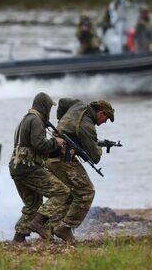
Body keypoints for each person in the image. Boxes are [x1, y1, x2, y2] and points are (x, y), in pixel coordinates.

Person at [46, 99, 115, 242]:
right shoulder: (87, 126)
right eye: (106, 118)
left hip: (51, 155)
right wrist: (98, 146)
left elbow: (62, 102)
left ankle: (50, 226)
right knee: (86, 192)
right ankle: (65, 228)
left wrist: (61, 123)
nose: (104, 122)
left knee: (70, 193)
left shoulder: (78, 104)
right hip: (61, 159)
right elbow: (95, 157)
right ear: (100, 113)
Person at [9, 92, 71, 242]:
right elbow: (40, 144)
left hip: (18, 168)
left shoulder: (25, 119)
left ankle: (18, 238)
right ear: (44, 107)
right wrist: (57, 142)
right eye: (49, 107)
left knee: (33, 204)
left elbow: (34, 146)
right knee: (62, 192)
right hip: (29, 168)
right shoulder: (35, 120)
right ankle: (39, 222)